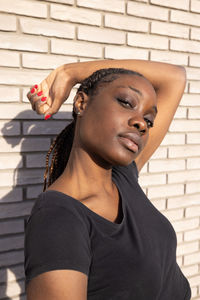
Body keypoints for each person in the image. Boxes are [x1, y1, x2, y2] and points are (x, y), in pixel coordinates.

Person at [24, 59, 191, 300]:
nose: (141, 123)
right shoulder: (58, 217)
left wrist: (70, 73)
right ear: (81, 102)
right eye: (126, 102)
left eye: (149, 119)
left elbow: (175, 77)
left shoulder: (123, 177)